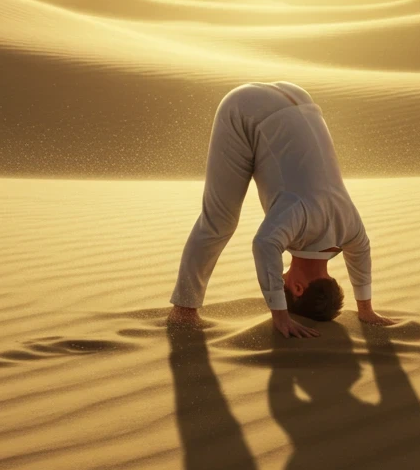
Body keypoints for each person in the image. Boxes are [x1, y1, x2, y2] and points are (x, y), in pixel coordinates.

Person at [168, 81, 395, 338]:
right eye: (285, 282)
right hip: (245, 108)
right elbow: (264, 245)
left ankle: (185, 307)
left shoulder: (348, 226)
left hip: (300, 97)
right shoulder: (300, 215)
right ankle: (183, 311)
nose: (282, 274)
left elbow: (361, 253)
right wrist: (281, 315)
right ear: (297, 288)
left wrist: (366, 309)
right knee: (219, 222)